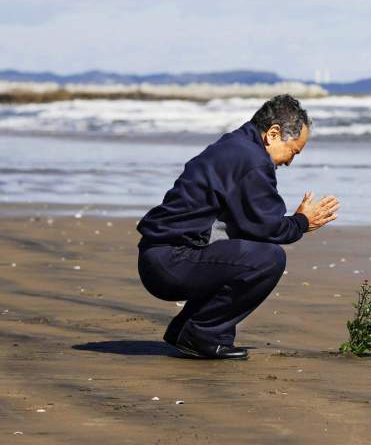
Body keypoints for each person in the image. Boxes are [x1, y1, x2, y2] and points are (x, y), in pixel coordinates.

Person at [136, 94, 339, 360]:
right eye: (293, 151)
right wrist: (302, 222)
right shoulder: (251, 159)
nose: (289, 161)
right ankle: (201, 335)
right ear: (274, 134)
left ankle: (186, 330)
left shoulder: (237, 146)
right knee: (269, 258)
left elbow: (253, 226)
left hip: (160, 258)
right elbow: (270, 227)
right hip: (170, 261)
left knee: (252, 250)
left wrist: (295, 223)